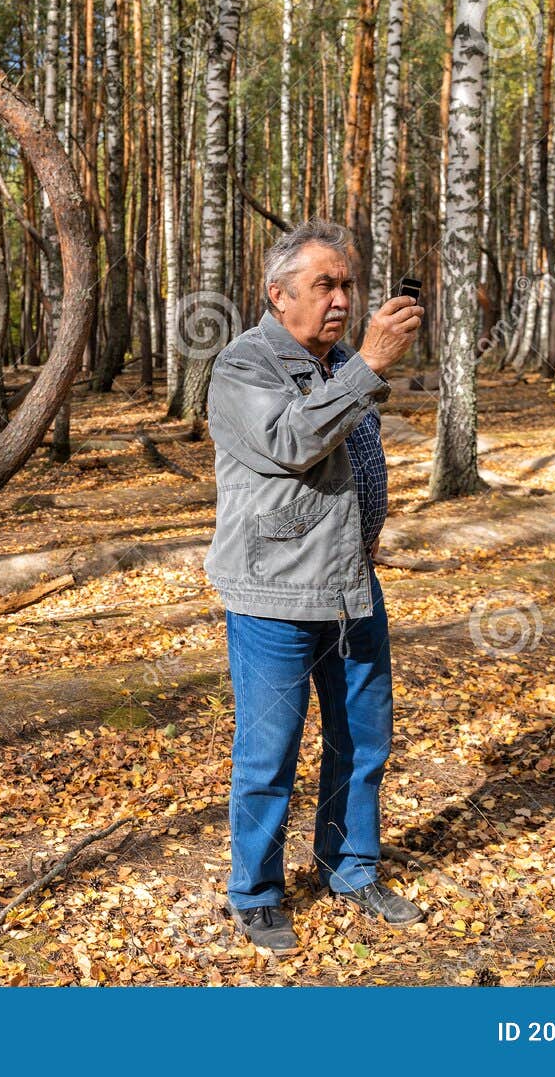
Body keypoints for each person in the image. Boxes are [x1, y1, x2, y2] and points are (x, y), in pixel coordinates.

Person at [204, 220, 426, 955]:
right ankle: (257, 892)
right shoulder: (244, 365)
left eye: (347, 285)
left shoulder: (334, 363)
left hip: (352, 586)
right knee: (269, 751)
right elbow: (293, 442)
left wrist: (357, 367)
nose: (341, 299)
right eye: (325, 285)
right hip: (274, 595)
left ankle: (350, 865)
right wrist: (369, 363)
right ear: (279, 293)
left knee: (363, 739)